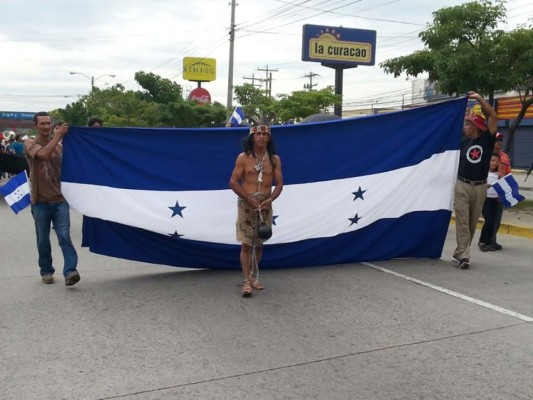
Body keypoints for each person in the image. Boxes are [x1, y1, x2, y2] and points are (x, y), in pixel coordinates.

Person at [24, 112, 80, 286]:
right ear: (35, 126)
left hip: (60, 200)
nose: (46, 127)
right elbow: (43, 155)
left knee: (64, 235)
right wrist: (58, 135)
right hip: (40, 201)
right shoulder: (30, 143)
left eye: (49, 123)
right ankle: (46, 270)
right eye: (42, 124)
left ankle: (70, 270)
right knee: (43, 238)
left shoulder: (60, 146)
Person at [229, 124, 283, 297]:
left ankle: (253, 277)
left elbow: (279, 185)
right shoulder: (243, 158)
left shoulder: (274, 160)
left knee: (259, 244)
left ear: (268, 138)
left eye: (264, 134)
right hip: (247, 204)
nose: (261, 137)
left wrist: (269, 200)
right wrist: (248, 199)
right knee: (246, 244)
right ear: (252, 137)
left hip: (264, 205)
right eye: (258, 134)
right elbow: (233, 182)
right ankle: (246, 282)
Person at [453, 91, 498, 269]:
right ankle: (465, 256)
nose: (465, 127)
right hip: (462, 185)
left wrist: (479, 98)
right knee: (463, 221)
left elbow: (493, 115)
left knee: (471, 224)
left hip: (480, 187)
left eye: (468, 124)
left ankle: (460, 252)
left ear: (476, 127)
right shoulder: (463, 141)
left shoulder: (487, 140)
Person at [489, 132, 512, 250]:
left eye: (501, 140)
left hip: (500, 193)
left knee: (497, 219)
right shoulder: (487, 154)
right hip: (488, 193)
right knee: (490, 219)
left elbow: (509, 173)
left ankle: (492, 240)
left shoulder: (504, 157)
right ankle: (486, 241)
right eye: (497, 140)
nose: (499, 142)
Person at [478, 152, 501, 251]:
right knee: (489, 221)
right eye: (492, 160)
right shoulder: (483, 172)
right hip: (485, 200)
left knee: (493, 222)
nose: (494, 163)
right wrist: (485, 186)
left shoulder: (498, 174)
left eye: (497, 161)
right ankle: (482, 241)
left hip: (495, 200)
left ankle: (488, 243)